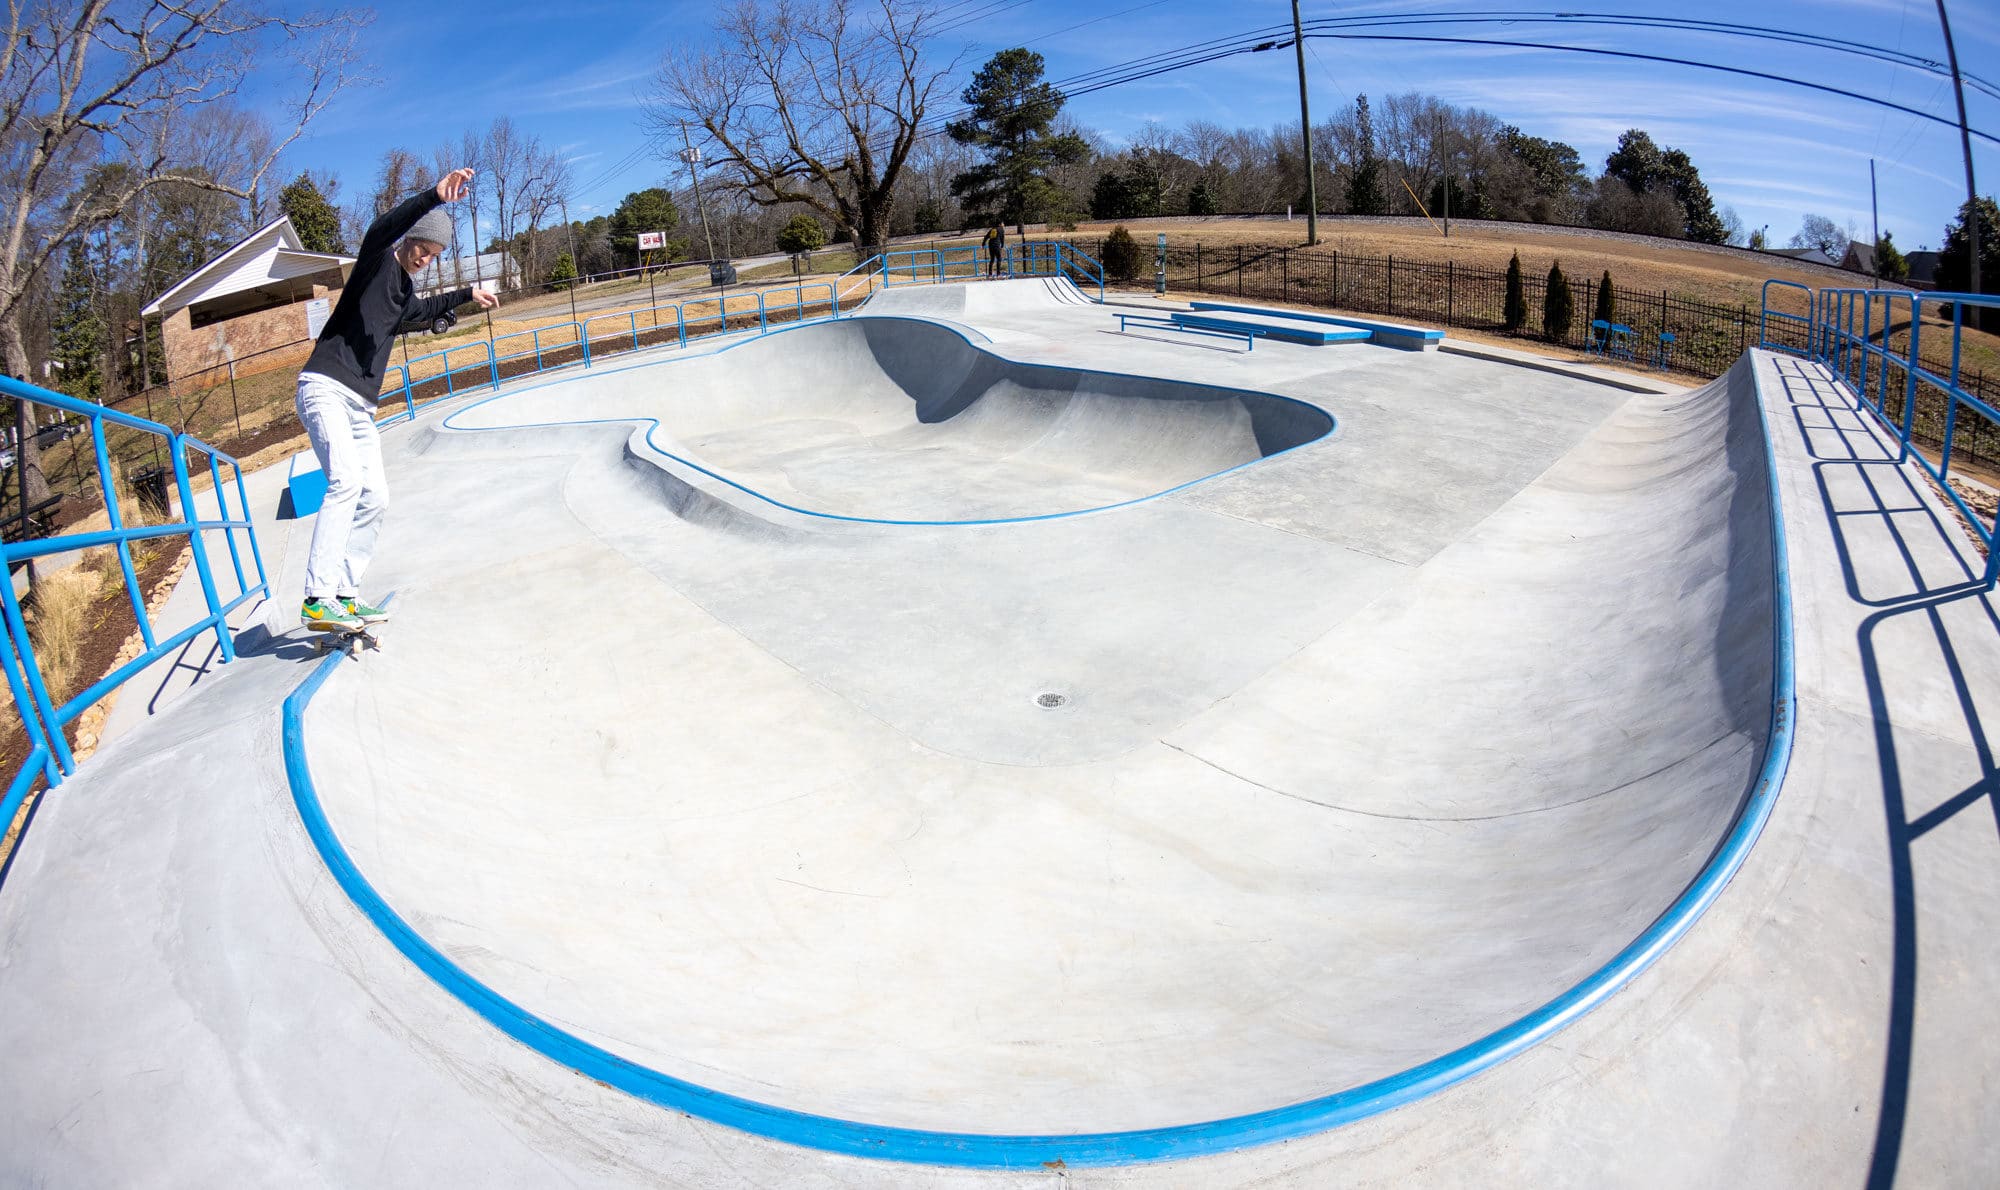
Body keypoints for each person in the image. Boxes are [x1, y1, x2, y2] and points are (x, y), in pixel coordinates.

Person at [294, 167, 497, 632]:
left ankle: (345, 593)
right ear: (411, 241)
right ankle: (316, 597)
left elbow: (422, 312)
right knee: (345, 482)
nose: (426, 259)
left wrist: (467, 293)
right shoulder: (377, 261)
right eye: (423, 249)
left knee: (376, 498)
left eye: (435, 256)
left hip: (361, 404)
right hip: (324, 386)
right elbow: (382, 227)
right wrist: (432, 197)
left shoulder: (404, 289)